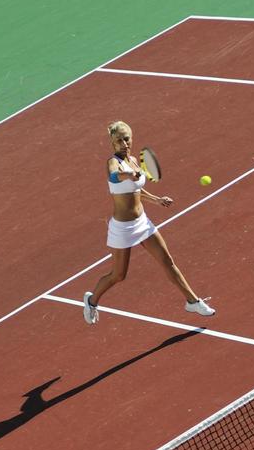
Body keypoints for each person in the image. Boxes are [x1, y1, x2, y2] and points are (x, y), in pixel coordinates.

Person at [83, 120, 215, 324]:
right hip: (122, 228)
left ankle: (193, 301)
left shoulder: (135, 160)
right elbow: (115, 176)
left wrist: (156, 199)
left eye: (127, 139)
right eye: (119, 140)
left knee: (167, 261)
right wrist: (129, 173)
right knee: (118, 275)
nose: (124, 144)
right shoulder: (113, 162)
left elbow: (136, 190)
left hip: (142, 223)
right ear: (113, 143)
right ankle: (91, 301)